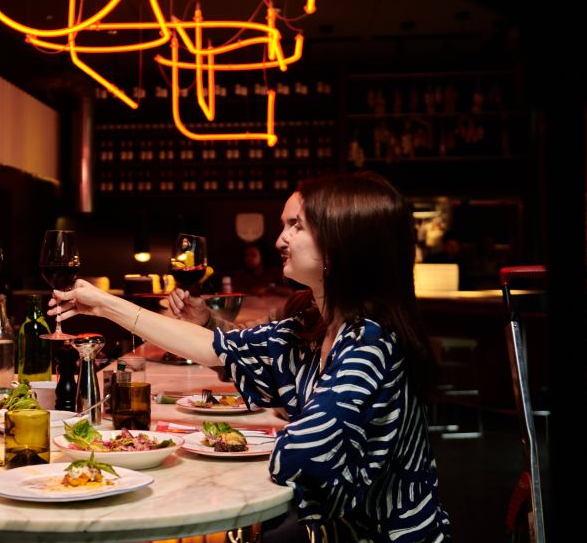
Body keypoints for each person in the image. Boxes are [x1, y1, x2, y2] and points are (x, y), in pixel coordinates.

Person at [50, 172, 451, 542]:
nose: (279, 240)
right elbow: (217, 347)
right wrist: (104, 305)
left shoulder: (370, 344)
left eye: (296, 226)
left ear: (340, 242)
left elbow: (306, 454)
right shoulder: (311, 327)